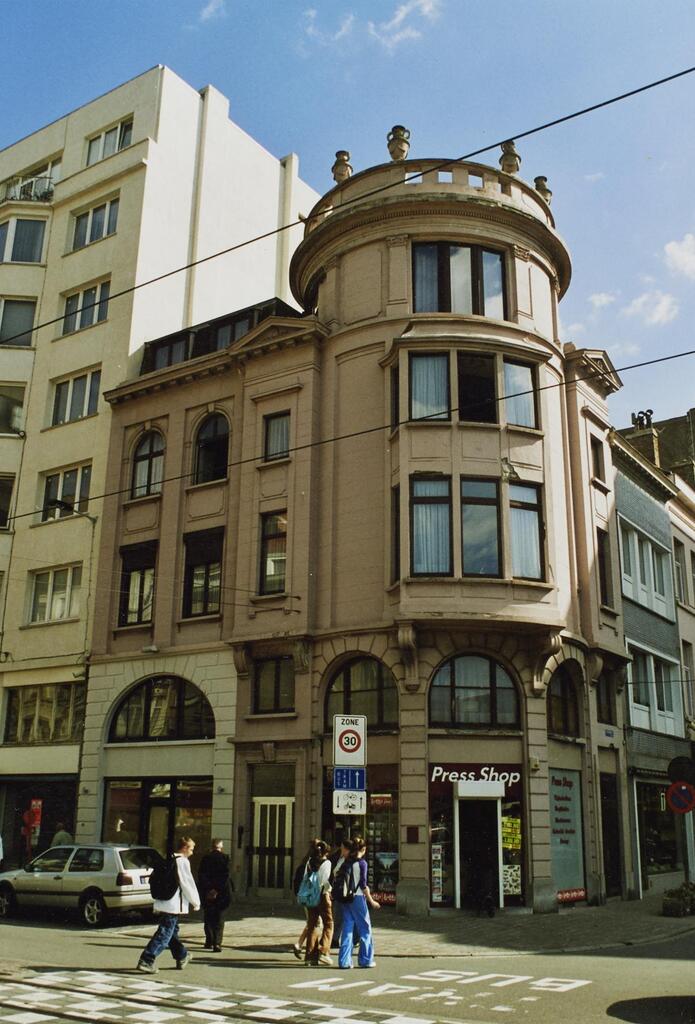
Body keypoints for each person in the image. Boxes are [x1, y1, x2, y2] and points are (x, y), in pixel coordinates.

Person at [137, 836, 200, 974]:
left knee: (172, 932)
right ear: (185, 848)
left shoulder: (169, 858)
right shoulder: (182, 862)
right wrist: (196, 901)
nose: (192, 852)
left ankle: (182, 955)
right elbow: (187, 883)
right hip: (173, 904)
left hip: (164, 901)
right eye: (191, 849)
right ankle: (147, 960)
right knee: (165, 933)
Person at [336, 836, 379, 969]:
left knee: (347, 928)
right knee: (365, 928)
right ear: (364, 849)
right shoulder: (362, 864)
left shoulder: (347, 861)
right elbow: (363, 885)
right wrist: (371, 901)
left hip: (345, 898)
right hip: (358, 898)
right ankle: (366, 960)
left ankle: (344, 961)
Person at [301, 838, 334, 966]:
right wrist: (329, 891)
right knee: (329, 923)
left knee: (313, 925)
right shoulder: (327, 863)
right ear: (326, 852)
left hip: (310, 896)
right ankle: (323, 950)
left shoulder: (309, 862)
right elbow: (325, 881)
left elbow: (305, 877)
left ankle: (310, 957)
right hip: (322, 895)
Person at [197, 838, 231, 952]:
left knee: (208, 917)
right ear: (221, 847)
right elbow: (225, 876)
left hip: (207, 892)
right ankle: (217, 943)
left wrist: (209, 889)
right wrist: (217, 890)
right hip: (222, 893)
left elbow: (201, 875)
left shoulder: (205, 858)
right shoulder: (225, 858)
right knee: (220, 918)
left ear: (212, 847)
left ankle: (209, 940)